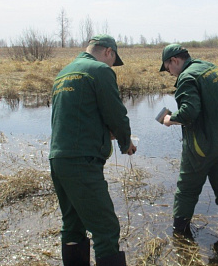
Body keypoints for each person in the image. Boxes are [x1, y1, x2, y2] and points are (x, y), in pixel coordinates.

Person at [49, 34, 136, 266]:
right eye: (113, 60)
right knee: (105, 228)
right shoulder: (100, 70)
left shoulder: (64, 73)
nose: (111, 66)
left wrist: (101, 131)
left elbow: (75, 117)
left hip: (58, 159)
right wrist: (125, 142)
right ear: (108, 52)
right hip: (82, 162)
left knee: (73, 225)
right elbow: (116, 113)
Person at [158, 44, 218, 243]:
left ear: (175, 60)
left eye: (167, 68)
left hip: (203, 147)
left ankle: (179, 237)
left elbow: (189, 112)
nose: (169, 73)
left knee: (186, 191)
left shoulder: (187, 78)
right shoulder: (210, 68)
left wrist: (169, 119)